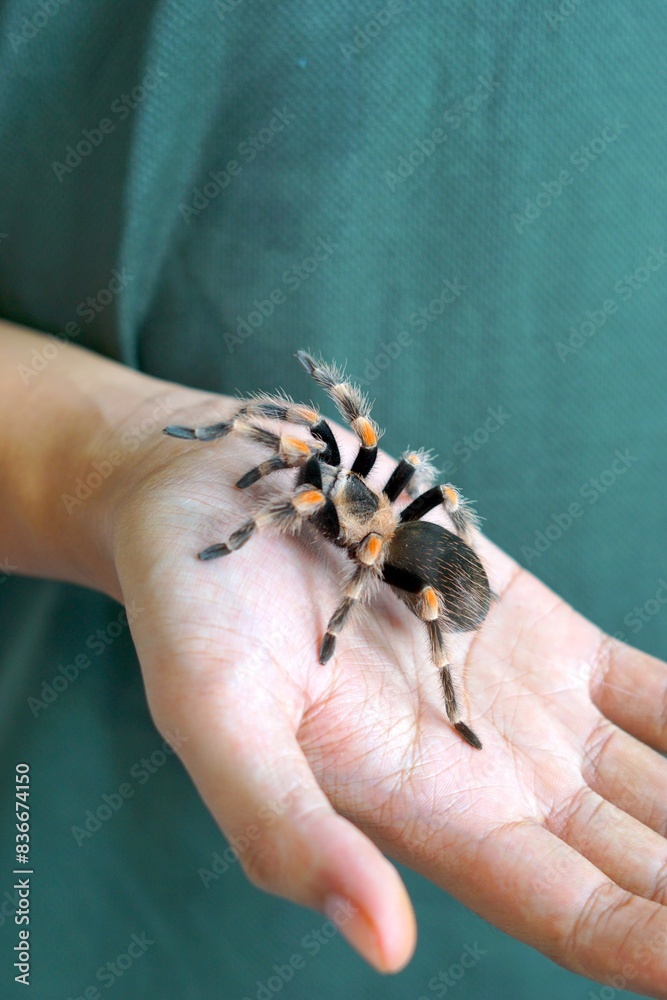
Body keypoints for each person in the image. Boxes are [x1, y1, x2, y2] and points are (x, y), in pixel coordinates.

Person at [1, 3, 666, 998]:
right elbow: (338, 442)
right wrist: (138, 458)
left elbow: (372, 541)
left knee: (405, 569)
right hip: (98, 866)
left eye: (321, 478)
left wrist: (348, 596)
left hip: (428, 573)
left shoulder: (355, 528)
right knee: (335, 466)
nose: (308, 480)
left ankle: (451, 696)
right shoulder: (345, 477)